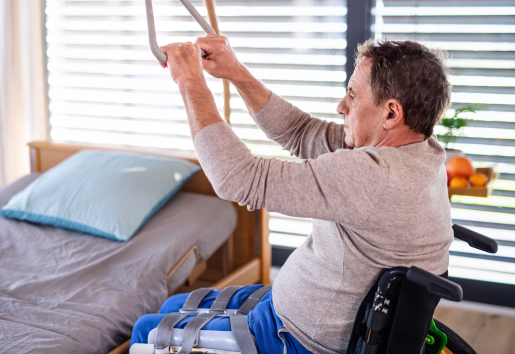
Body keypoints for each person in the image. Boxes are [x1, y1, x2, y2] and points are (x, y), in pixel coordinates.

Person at [131, 37, 453, 354]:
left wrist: (189, 81)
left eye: (353, 95)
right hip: (289, 308)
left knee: (146, 330)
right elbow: (300, 131)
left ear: (391, 113)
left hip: (290, 337)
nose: (342, 106)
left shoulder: (372, 178)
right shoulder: (422, 153)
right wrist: (235, 71)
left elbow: (238, 178)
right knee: (174, 304)